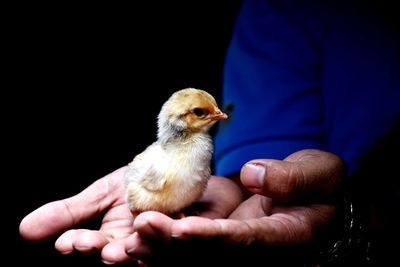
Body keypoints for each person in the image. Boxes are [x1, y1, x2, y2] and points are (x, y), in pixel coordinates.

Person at [19, 0, 399, 266]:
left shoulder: (196, 145)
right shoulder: (290, 8)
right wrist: (249, 190)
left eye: (215, 111)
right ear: (183, 119)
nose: (217, 116)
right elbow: (262, 152)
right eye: (205, 113)